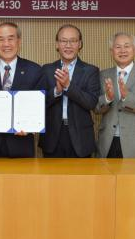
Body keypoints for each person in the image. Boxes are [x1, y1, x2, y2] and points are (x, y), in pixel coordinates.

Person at [0, 22, 42, 158]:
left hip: (22, 146)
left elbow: (40, 105)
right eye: (1, 39)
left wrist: (31, 126)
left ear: (19, 41)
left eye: (11, 38)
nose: (6, 44)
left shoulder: (34, 70)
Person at [38, 24, 99, 158]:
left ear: (80, 44)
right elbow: (39, 102)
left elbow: (91, 102)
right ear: (57, 44)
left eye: (73, 41)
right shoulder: (46, 70)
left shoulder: (91, 71)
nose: (68, 45)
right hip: (52, 136)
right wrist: (57, 91)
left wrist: (68, 86)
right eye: (63, 41)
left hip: (81, 138)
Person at [96, 32, 135, 158]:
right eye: (118, 47)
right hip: (107, 142)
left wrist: (127, 97)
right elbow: (96, 108)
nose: (122, 50)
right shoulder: (103, 75)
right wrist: (107, 98)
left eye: (127, 46)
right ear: (111, 51)